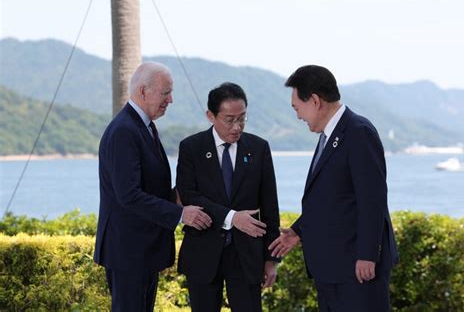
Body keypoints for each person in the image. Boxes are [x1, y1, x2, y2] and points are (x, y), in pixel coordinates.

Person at [269, 65, 399, 311]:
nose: (298, 116)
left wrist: (367, 255)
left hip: (356, 269)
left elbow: (372, 200)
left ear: (315, 101)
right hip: (332, 269)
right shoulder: (327, 137)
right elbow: (331, 201)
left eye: (297, 108)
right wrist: (298, 231)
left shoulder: (358, 132)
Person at [93, 61, 212, 312]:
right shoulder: (124, 131)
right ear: (143, 91)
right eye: (166, 92)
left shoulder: (144, 127)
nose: (171, 100)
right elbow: (129, 195)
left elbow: (149, 189)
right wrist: (181, 214)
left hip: (141, 251)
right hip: (129, 252)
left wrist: (181, 193)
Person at [176, 82, 280, 312]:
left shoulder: (259, 148)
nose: (237, 126)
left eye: (242, 118)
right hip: (203, 252)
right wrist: (232, 218)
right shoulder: (191, 147)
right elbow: (188, 195)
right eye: (230, 119)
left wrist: (271, 259)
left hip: (247, 256)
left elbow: (270, 205)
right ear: (211, 116)